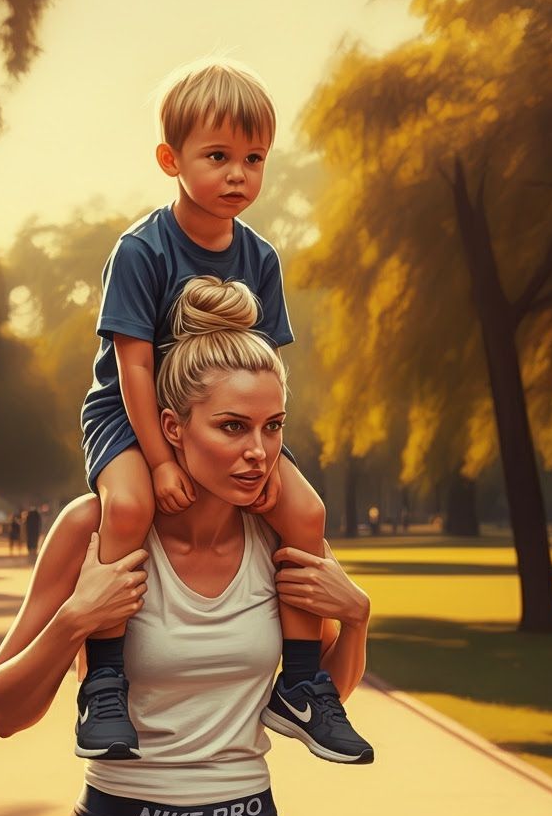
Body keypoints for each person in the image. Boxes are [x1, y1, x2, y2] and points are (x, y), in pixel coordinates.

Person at [0, 293, 372, 816]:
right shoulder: (93, 529)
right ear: (172, 427)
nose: (258, 452)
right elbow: (2, 710)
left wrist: (359, 620)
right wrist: (75, 619)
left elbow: (319, 697)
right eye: (232, 426)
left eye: (273, 427)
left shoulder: (282, 538)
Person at [74, 58, 370, 765]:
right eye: (218, 157)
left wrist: (259, 452)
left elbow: (262, 371)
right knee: (127, 509)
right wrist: (158, 460)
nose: (238, 174)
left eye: (254, 158)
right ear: (170, 160)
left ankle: (301, 683)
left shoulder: (260, 258)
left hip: (225, 418)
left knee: (306, 513)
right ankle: (105, 680)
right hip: (132, 414)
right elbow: (133, 366)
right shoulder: (141, 250)